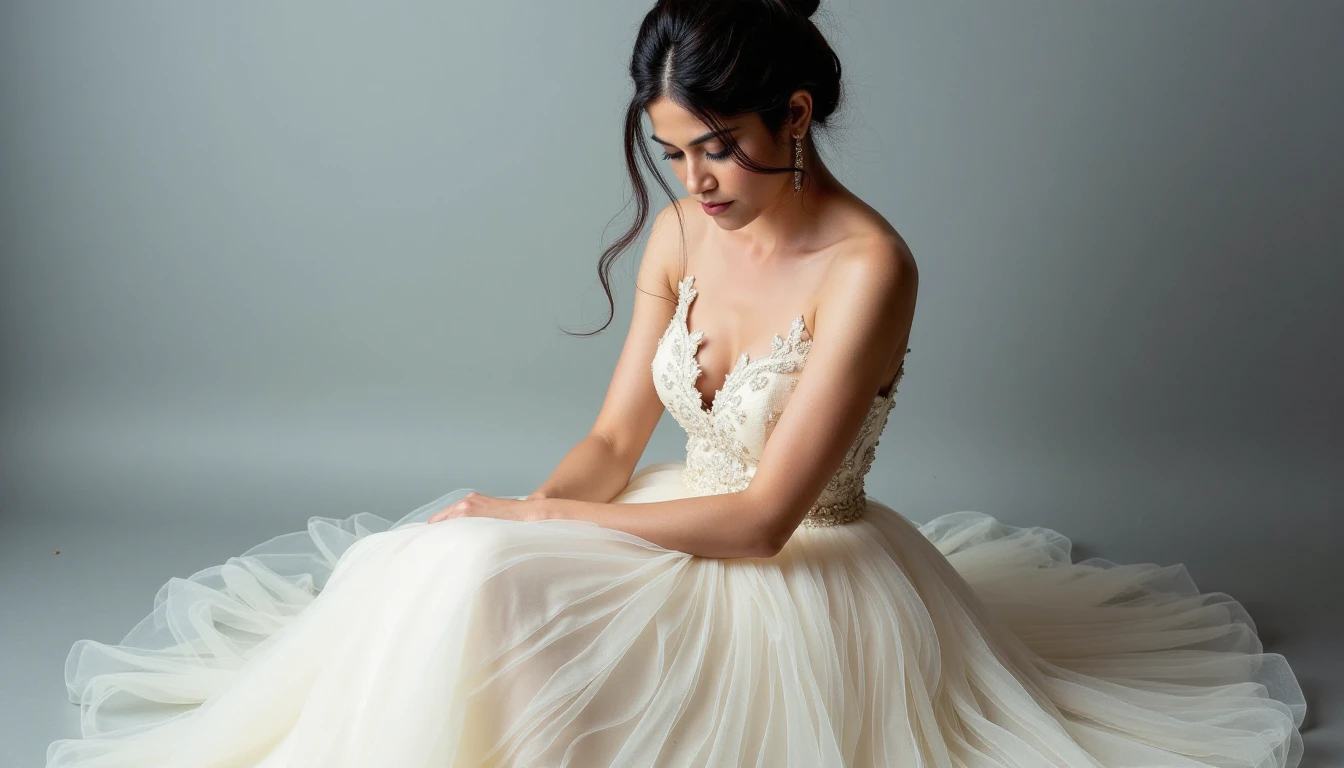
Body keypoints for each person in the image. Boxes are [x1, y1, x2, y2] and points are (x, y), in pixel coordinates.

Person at [47, 0, 1308, 766]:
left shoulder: (871, 268)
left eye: (719, 150)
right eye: (669, 153)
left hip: (800, 571)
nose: (695, 184)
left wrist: (541, 528)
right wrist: (524, 528)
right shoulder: (683, 230)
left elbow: (763, 522)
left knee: (499, 554)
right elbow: (610, 440)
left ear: (796, 117)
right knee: (440, 567)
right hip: (661, 515)